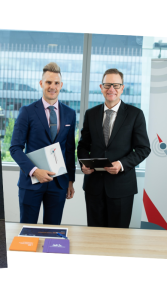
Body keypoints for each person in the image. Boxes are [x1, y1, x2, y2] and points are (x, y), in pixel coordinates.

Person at [77, 68, 151, 228]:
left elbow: (143, 148)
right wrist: (84, 164)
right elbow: (83, 145)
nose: (111, 89)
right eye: (107, 85)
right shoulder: (91, 114)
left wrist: (122, 164)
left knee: (118, 238)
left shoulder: (135, 114)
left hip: (121, 188)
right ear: (101, 87)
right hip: (93, 186)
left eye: (116, 85)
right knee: (94, 235)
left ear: (122, 88)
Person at [9, 62, 76, 225]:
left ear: (61, 85)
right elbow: (15, 148)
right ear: (41, 84)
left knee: (52, 231)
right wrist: (34, 171)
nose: (52, 86)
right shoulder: (27, 111)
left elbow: (69, 149)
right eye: (48, 82)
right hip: (31, 182)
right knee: (27, 230)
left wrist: (70, 181)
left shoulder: (70, 113)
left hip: (59, 182)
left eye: (56, 83)